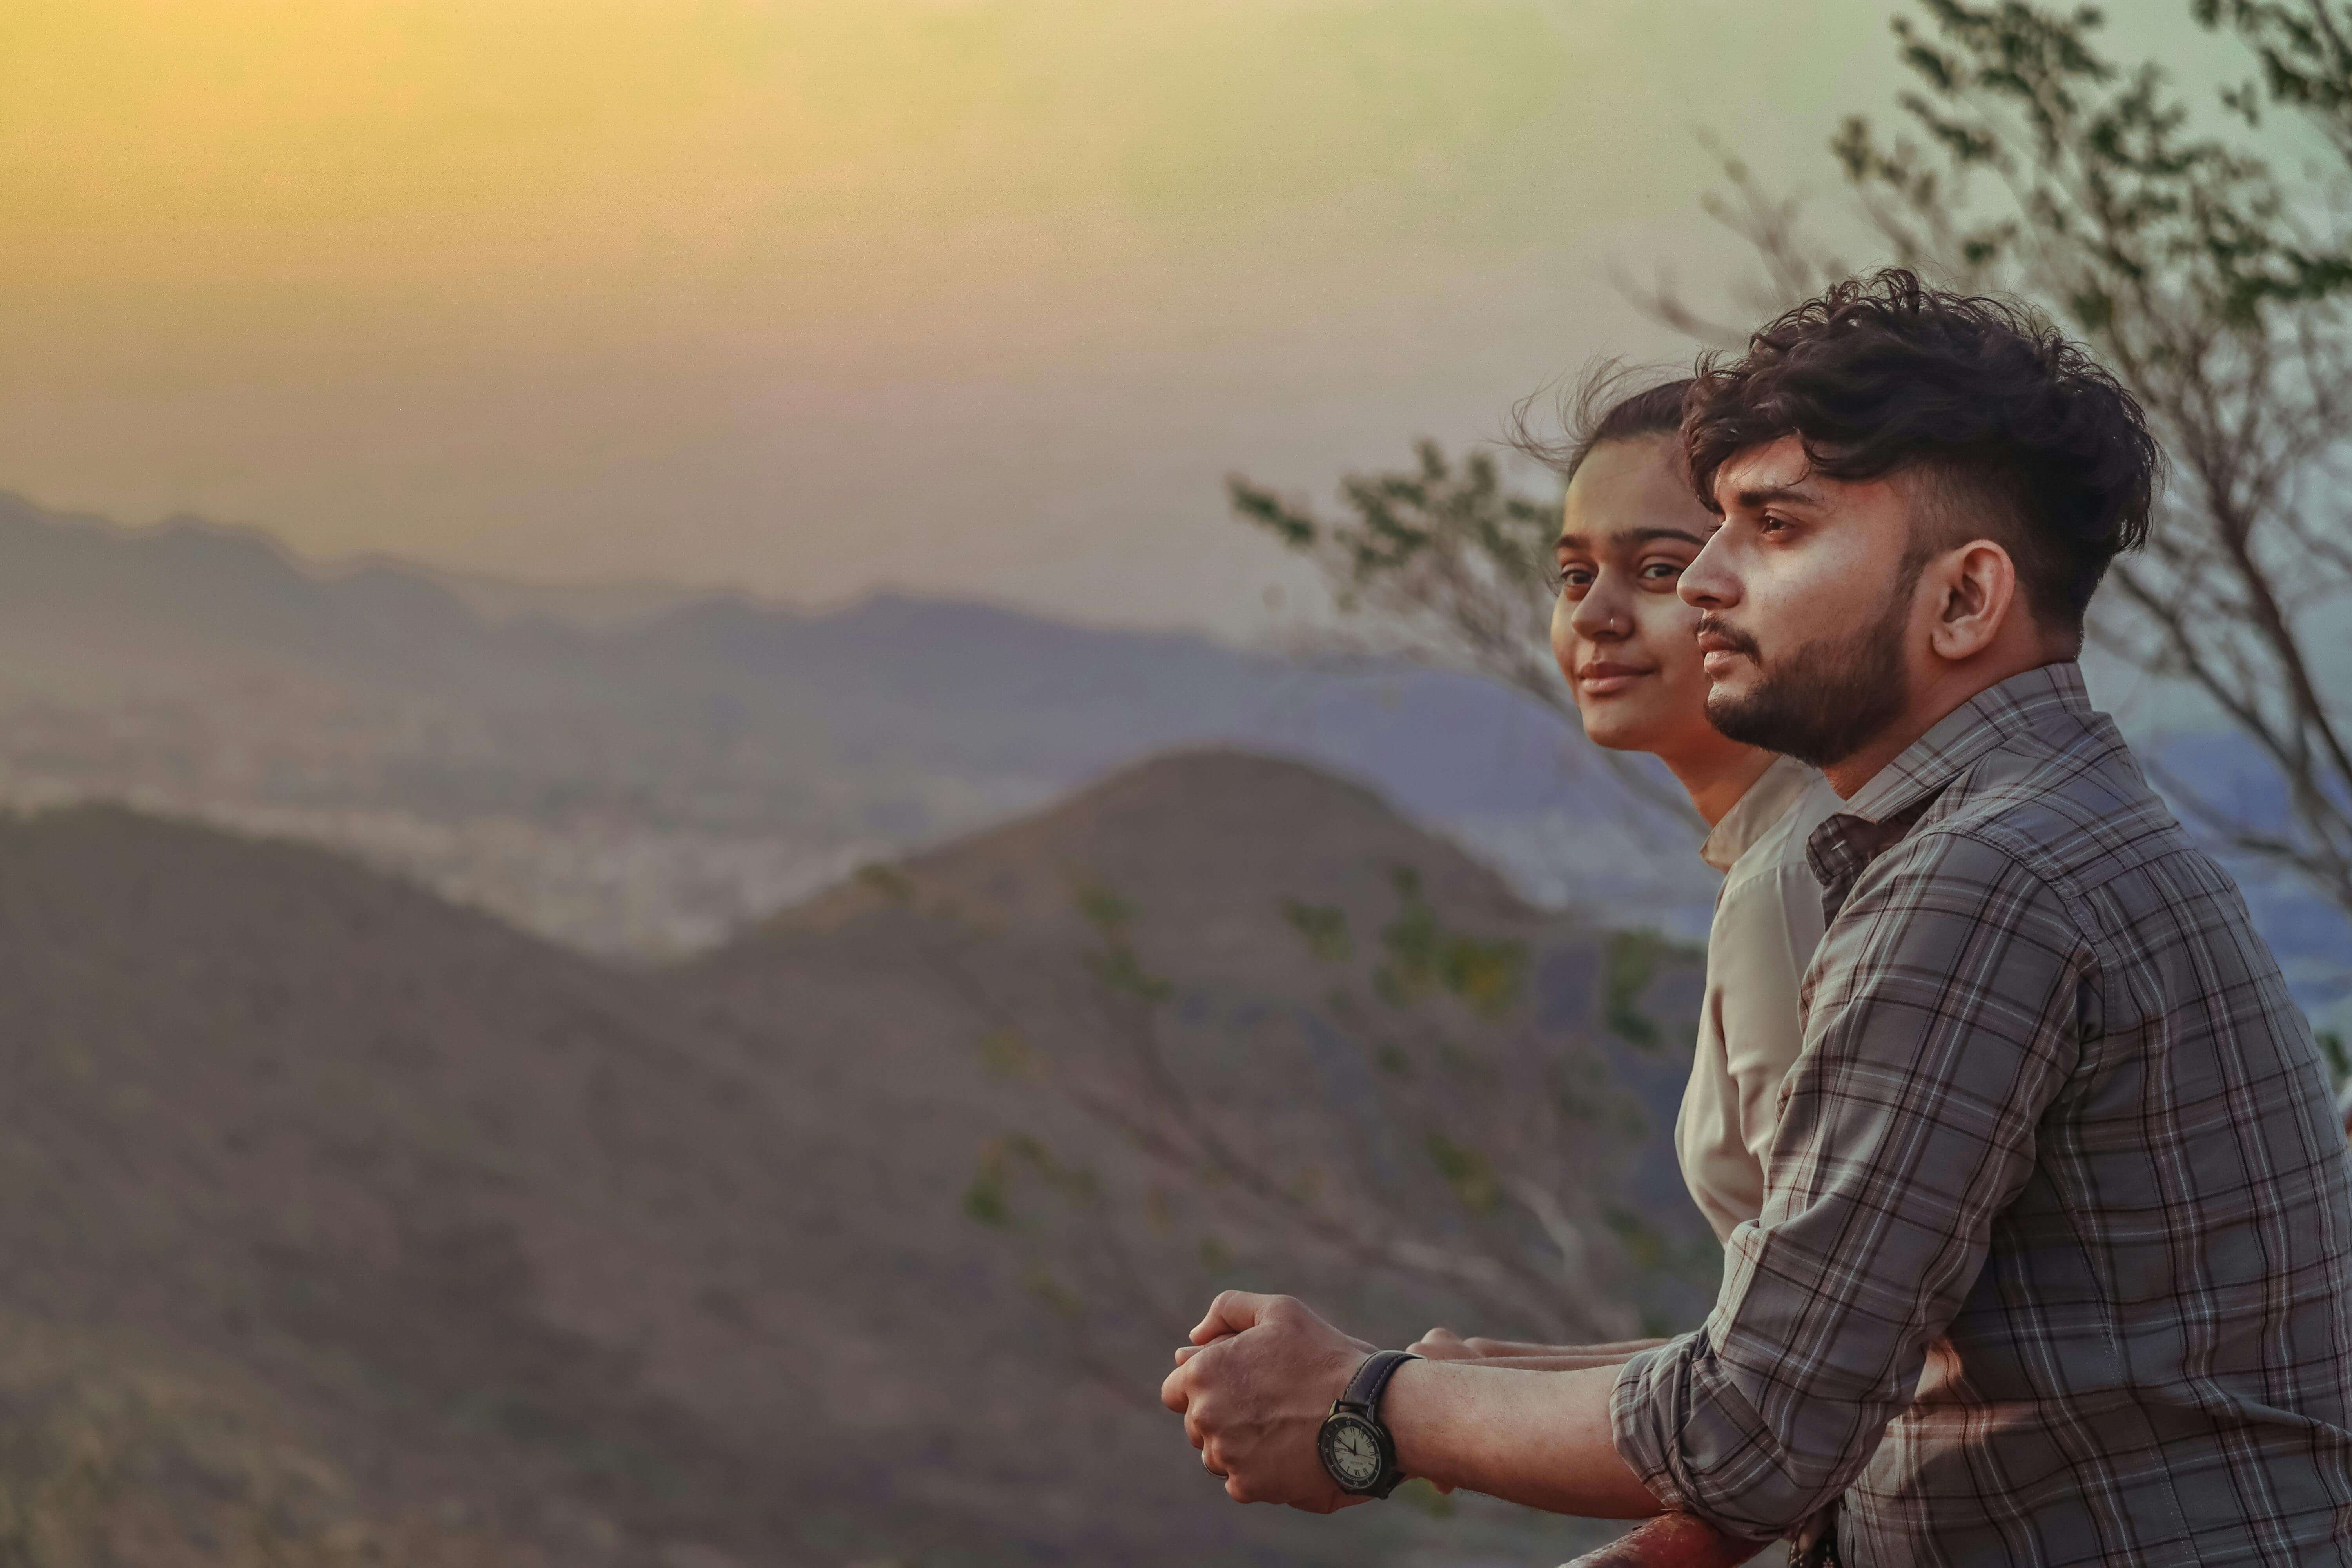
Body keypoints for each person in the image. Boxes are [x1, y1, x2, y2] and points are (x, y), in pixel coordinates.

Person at [1160, 270, 2352, 1566]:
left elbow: (1758, 1431)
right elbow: (1856, 1351)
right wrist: (1480, 1380)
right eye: (1715, 529)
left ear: (1965, 600)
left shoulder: (1983, 881)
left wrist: (1367, 1406)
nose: (1710, 580)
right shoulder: (2012, 834)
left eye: (1773, 530)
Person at [1408, 369, 1839, 1385]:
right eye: (1572, 577)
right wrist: (1496, 1380)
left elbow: (1809, 1389)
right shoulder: (1785, 846)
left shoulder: (1801, 879)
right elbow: (1819, 1340)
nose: (1594, 615)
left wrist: (1400, 1415)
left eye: (1654, 571)